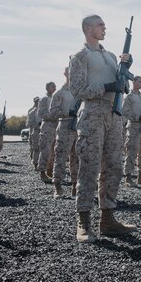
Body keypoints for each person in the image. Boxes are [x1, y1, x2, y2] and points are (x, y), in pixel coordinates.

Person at [70, 14, 136, 242]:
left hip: (113, 113)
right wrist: (108, 85)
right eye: (100, 25)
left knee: (114, 166)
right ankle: (84, 222)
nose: (104, 27)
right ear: (88, 29)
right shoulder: (80, 56)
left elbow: (123, 86)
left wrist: (125, 69)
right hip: (92, 113)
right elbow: (78, 89)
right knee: (89, 165)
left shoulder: (110, 56)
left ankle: (108, 219)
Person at [50, 68, 79, 198]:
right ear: (65, 74)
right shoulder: (59, 93)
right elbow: (53, 112)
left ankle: (75, 185)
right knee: (61, 157)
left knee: (77, 158)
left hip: (79, 127)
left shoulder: (79, 91)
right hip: (65, 126)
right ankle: (58, 186)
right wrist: (68, 113)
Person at [121, 75, 141, 186]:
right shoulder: (129, 96)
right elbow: (125, 112)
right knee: (132, 151)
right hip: (134, 127)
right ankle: (128, 177)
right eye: (140, 81)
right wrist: (137, 118)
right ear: (133, 82)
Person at [37, 82, 57, 183]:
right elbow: (40, 113)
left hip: (56, 126)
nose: (54, 88)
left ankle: (50, 170)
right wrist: (53, 116)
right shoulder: (44, 99)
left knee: (53, 151)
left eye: (55, 86)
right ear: (47, 88)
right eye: (52, 86)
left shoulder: (56, 98)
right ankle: (42, 172)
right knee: (45, 150)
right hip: (47, 126)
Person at [26, 96, 41, 168]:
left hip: (43, 132)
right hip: (35, 131)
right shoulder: (32, 111)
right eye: (37, 101)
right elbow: (28, 123)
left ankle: (41, 163)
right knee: (35, 148)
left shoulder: (43, 110)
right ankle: (35, 163)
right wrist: (37, 125)